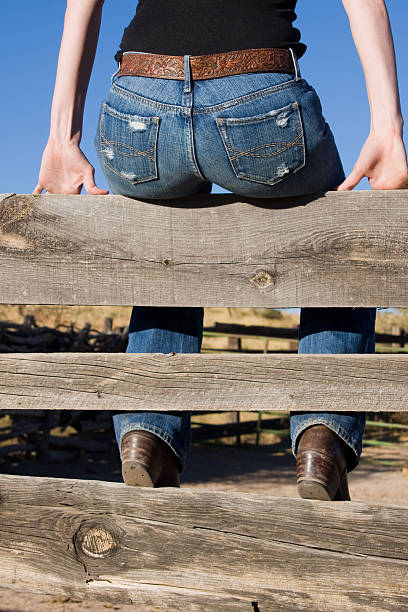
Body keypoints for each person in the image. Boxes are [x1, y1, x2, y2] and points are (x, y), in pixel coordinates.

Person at [34, 0, 408, 500]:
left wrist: (61, 137)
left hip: (138, 106)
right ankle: (324, 433)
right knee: (339, 238)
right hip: (257, 96)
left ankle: (149, 431)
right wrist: (388, 128)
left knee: (170, 231)